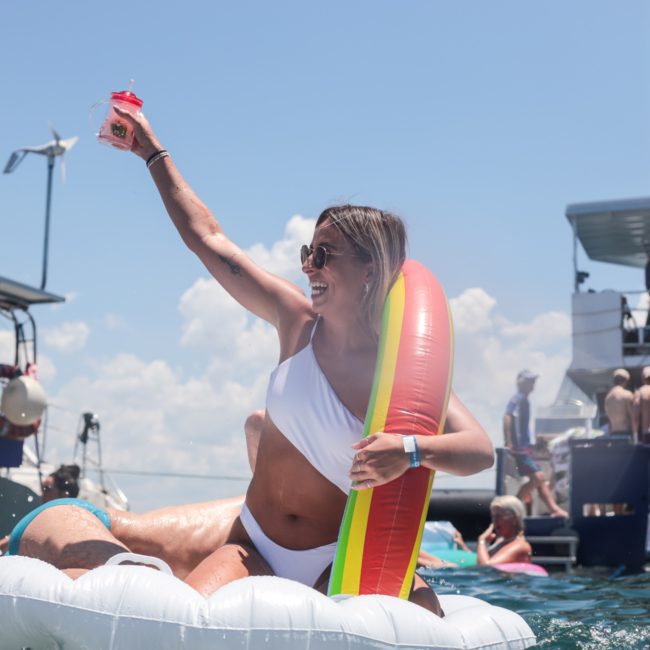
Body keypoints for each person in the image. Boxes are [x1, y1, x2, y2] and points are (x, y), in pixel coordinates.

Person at [10, 107, 495, 615]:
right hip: (253, 544)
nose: (308, 265)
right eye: (308, 251)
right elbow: (210, 241)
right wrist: (152, 152)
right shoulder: (298, 323)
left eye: (324, 255)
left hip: (339, 556)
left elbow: (478, 449)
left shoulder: (400, 373)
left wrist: (410, 449)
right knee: (179, 622)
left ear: (369, 270)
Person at [503, 370, 568, 518]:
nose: (533, 385)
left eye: (533, 381)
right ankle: (511, 508)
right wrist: (509, 441)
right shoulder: (518, 399)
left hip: (525, 447)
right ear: (522, 383)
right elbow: (507, 416)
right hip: (521, 449)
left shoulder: (524, 400)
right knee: (538, 478)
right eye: (530, 382)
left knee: (539, 480)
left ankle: (554, 509)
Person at [453, 496, 532, 565]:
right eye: (493, 516)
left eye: (499, 516)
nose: (495, 520)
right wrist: (463, 547)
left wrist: (481, 540)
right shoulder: (500, 541)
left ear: (514, 518)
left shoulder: (520, 546)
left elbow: (486, 567)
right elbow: (479, 560)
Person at [604, 368, 635, 438]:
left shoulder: (608, 398)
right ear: (626, 381)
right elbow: (633, 417)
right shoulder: (627, 395)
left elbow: (608, 419)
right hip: (626, 434)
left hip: (613, 434)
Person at [634, 366, 650, 444]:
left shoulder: (640, 392)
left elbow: (635, 416)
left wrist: (635, 435)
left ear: (643, 378)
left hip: (646, 432)